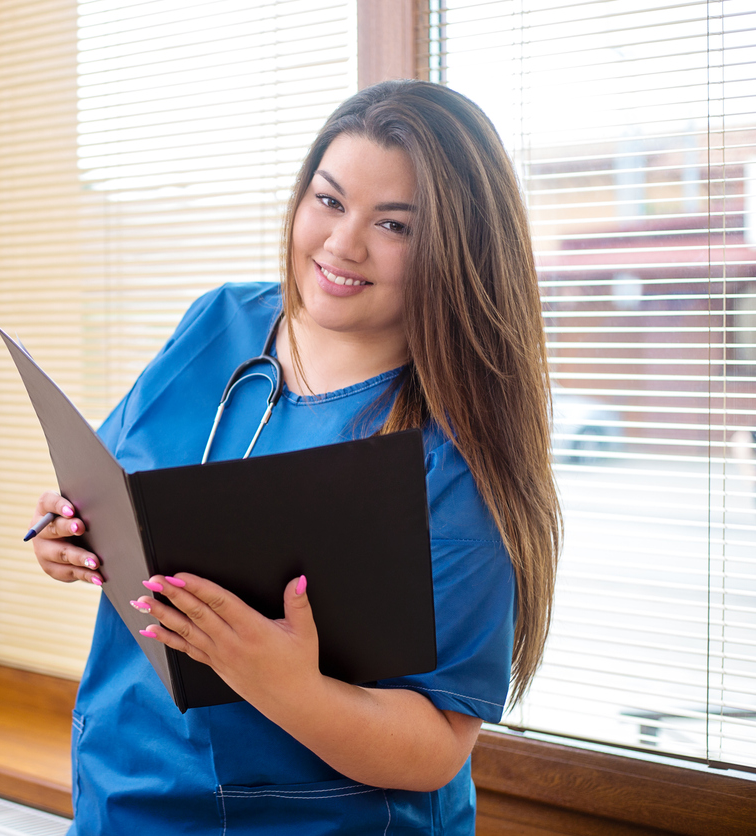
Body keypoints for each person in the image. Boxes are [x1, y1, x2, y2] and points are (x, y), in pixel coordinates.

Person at [28, 79, 560, 835]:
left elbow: (438, 746)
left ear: (458, 246)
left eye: (396, 225)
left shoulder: (453, 454)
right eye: (330, 201)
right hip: (127, 794)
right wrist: (65, 534)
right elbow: (113, 489)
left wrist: (286, 686)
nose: (343, 244)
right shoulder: (220, 322)